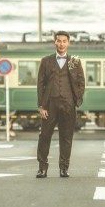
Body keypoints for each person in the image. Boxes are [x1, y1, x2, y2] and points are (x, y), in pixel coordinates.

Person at [36, 31, 85, 178]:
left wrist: (76, 100)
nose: (61, 44)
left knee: (66, 137)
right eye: (59, 41)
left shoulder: (75, 61)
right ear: (55, 42)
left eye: (64, 41)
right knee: (44, 136)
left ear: (68, 43)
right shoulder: (46, 61)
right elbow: (40, 84)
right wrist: (41, 106)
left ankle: (64, 168)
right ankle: (42, 168)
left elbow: (81, 82)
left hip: (68, 105)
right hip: (49, 105)